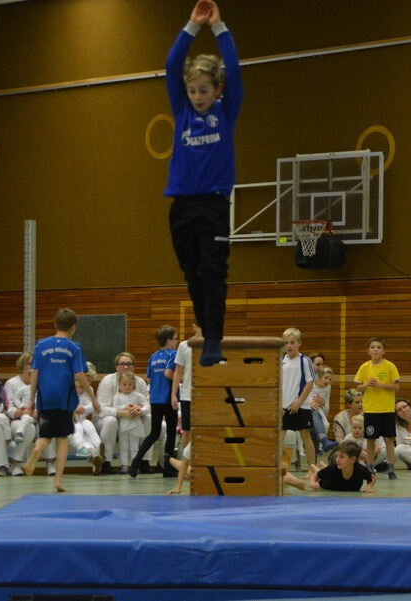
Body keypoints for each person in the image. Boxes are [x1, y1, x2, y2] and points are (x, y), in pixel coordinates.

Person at [164, 0, 243, 366]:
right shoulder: (181, 109)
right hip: (181, 206)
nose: (197, 97)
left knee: (213, 271)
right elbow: (170, 64)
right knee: (192, 273)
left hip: (213, 205)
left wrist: (218, 27)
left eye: (204, 91)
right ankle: (204, 326)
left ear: (217, 90)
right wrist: (192, 26)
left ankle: (213, 338)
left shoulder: (225, 112)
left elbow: (235, 70)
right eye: (193, 90)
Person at [23, 308, 95, 492]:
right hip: (64, 398)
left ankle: (37, 450)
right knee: (62, 438)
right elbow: (79, 373)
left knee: (46, 434)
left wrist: (31, 400)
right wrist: (93, 399)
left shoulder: (41, 345)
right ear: (73, 327)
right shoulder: (74, 347)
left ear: (55, 324)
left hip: (45, 397)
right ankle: (58, 480)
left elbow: (35, 373)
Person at [130, 325, 179, 478]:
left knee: (154, 433)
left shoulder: (153, 356)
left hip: (155, 399)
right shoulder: (174, 354)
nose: (177, 342)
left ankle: (136, 461)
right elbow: (171, 374)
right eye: (176, 339)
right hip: (168, 398)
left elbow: (149, 378)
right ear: (169, 340)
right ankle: (169, 469)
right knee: (171, 434)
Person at [96, 352, 151, 474]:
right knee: (111, 421)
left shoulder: (139, 382)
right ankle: (106, 462)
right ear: (116, 366)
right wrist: (121, 412)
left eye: (129, 364)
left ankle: (144, 461)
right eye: (122, 364)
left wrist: (139, 410)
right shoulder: (107, 381)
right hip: (106, 420)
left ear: (133, 366)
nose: (126, 367)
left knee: (149, 418)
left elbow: (148, 404)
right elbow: (101, 409)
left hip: (134, 419)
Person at [354, 337, 400, 480]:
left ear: (383, 351)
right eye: (373, 347)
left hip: (386, 409)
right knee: (371, 440)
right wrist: (366, 384)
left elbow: (396, 387)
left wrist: (380, 385)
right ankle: (369, 466)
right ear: (368, 351)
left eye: (378, 347)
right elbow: (358, 387)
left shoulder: (390, 366)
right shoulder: (364, 367)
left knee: (389, 440)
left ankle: (391, 468)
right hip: (371, 410)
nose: (375, 349)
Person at [281, 327, 316, 470]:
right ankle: (282, 467)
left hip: (301, 406)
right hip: (285, 406)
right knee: (280, 437)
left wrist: (299, 401)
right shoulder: (281, 360)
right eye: (287, 343)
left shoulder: (305, 360)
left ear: (299, 343)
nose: (289, 346)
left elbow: (310, 382)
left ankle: (312, 468)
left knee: (305, 436)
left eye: (292, 342)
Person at [171, 321, 201, 461]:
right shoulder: (184, 345)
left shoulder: (215, 345)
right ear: (194, 326)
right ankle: (183, 463)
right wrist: (173, 394)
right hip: (188, 394)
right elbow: (178, 371)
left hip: (207, 396)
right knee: (187, 430)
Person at [115, 371, 150, 475]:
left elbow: (147, 405)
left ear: (134, 385)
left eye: (130, 384)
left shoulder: (138, 396)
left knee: (135, 446)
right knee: (123, 445)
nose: (127, 387)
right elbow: (114, 407)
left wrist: (139, 408)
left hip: (135, 424)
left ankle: (135, 465)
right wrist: (123, 408)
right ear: (119, 385)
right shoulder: (117, 396)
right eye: (124, 385)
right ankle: (124, 465)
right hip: (124, 424)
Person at [307, 441, 375, 493]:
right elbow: (314, 476)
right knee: (322, 473)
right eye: (337, 456)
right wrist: (312, 483)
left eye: (341, 457)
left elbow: (372, 477)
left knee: (325, 469)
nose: (337, 459)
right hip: (326, 482)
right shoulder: (333, 468)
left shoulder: (360, 469)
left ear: (352, 459)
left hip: (329, 473)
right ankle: (316, 467)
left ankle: (322, 466)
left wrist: (369, 486)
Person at [69, 380, 104, 474]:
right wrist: (74, 412)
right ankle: (85, 449)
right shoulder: (68, 393)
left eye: (81, 387)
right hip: (71, 420)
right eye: (76, 387)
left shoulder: (87, 392)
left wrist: (84, 408)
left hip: (83, 418)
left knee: (90, 427)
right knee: (78, 429)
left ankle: (98, 445)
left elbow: (92, 406)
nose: (78, 389)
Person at [310, 366, 335, 452]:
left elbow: (326, 408)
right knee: (315, 411)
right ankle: (323, 441)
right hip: (305, 409)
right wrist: (309, 403)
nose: (328, 381)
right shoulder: (310, 384)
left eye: (330, 379)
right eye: (326, 378)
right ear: (319, 376)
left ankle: (322, 443)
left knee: (326, 424)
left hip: (318, 410)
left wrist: (323, 403)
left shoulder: (328, 387)